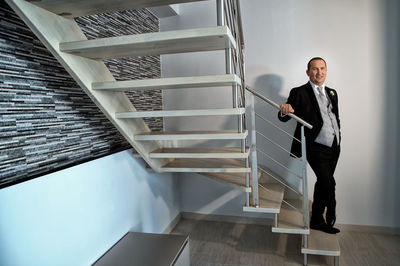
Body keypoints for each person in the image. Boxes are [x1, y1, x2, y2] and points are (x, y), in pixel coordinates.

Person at [278, 57, 341, 234]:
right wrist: (285, 110)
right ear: (308, 72)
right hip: (315, 146)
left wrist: (338, 134)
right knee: (329, 183)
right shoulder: (299, 92)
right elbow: (284, 116)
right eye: (315, 69)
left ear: (326, 71)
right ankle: (332, 212)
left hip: (334, 146)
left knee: (322, 182)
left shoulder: (332, 92)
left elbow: (334, 117)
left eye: (322, 68)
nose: (319, 72)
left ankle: (316, 220)